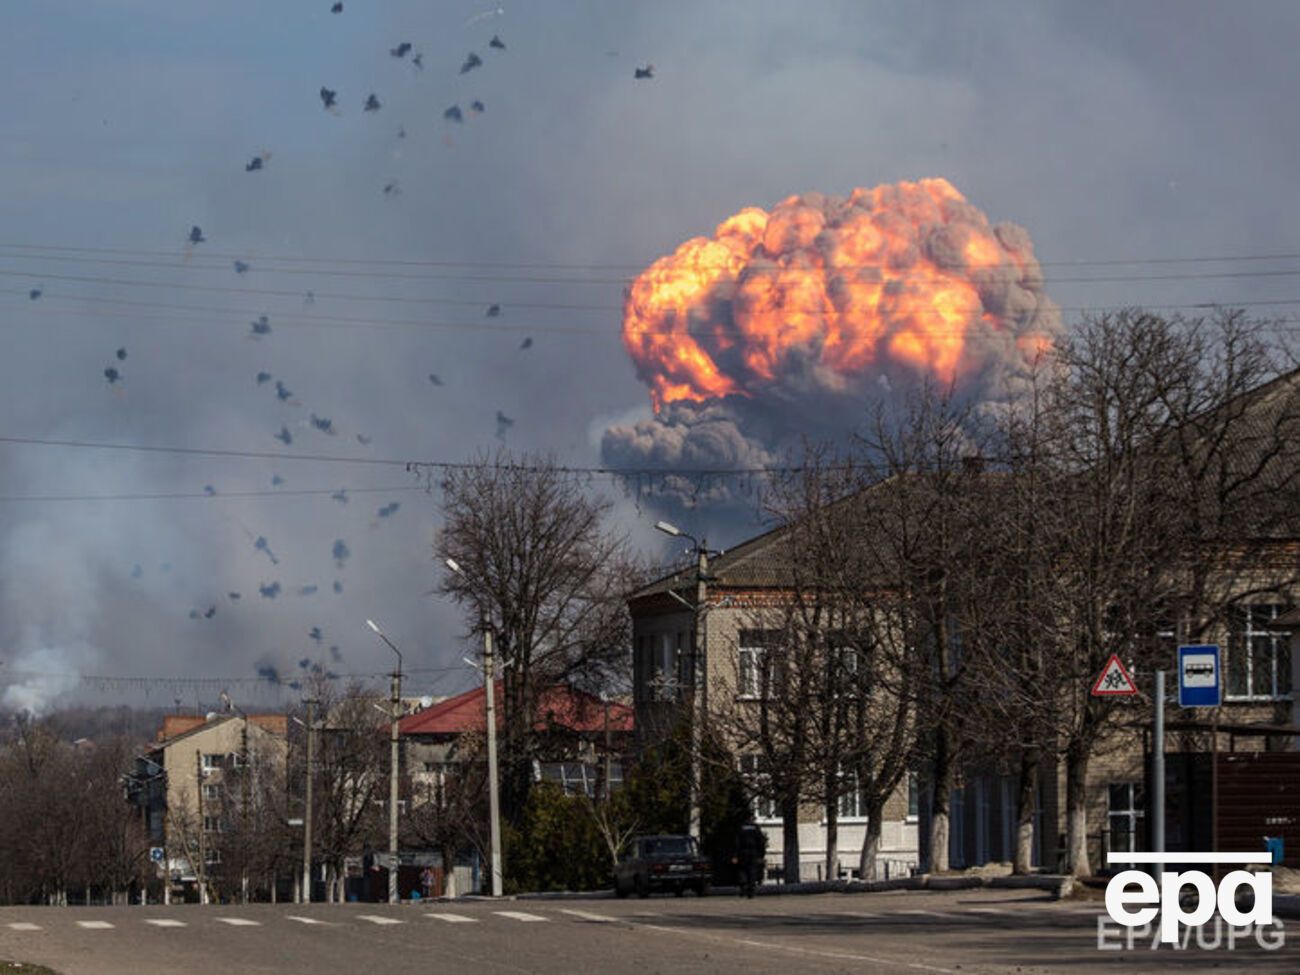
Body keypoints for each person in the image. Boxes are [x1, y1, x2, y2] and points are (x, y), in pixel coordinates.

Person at [735, 823, 767, 898]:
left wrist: (735, 855)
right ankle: (751, 891)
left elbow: (737, 842)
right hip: (753, 853)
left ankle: (743, 888)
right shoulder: (755, 827)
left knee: (742, 870)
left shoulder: (741, 827)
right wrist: (761, 855)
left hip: (742, 853)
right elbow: (761, 842)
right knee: (752, 872)